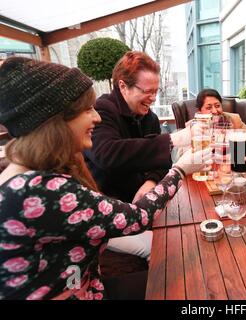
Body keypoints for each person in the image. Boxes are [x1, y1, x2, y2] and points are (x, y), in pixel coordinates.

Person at [0, 57, 211, 300]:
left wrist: (152, 180)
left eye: (156, 91)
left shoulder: (28, 173)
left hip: (89, 278)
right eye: (86, 110)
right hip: (93, 275)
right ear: (57, 121)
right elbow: (135, 212)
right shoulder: (38, 190)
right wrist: (180, 168)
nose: (96, 117)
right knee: (176, 267)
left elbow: (156, 160)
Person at [83, 51, 191, 259]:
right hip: (107, 211)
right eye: (147, 91)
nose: (153, 98)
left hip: (142, 204)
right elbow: (107, 154)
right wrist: (172, 140)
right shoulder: (102, 110)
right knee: (164, 250)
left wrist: (150, 181)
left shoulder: (149, 117)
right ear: (123, 86)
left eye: (156, 91)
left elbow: (162, 160)